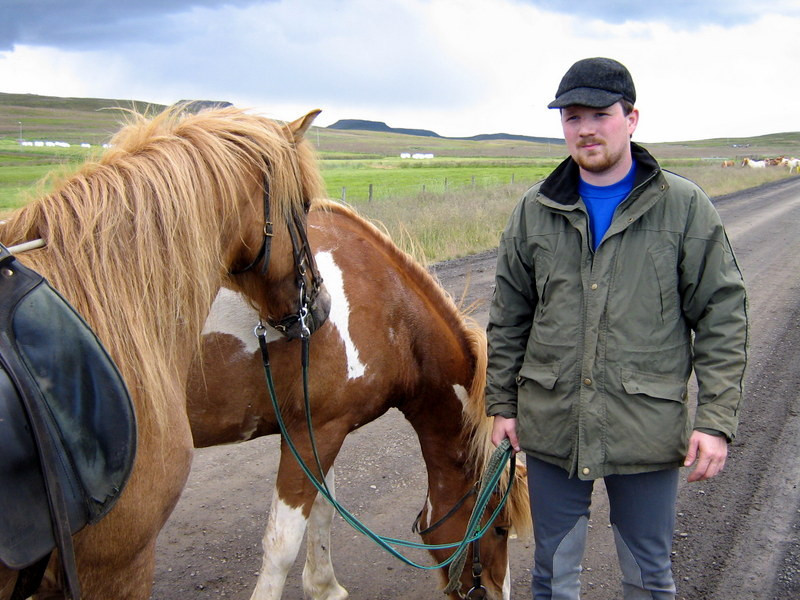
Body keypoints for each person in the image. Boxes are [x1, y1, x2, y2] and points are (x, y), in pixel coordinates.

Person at [485, 57, 748, 600]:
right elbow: (509, 317)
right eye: (571, 116)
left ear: (631, 119)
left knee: (648, 577)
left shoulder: (684, 208)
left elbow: (722, 315)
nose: (584, 128)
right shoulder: (534, 212)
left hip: (646, 427)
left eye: (599, 114)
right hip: (554, 421)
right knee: (552, 577)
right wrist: (503, 404)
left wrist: (716, 420)